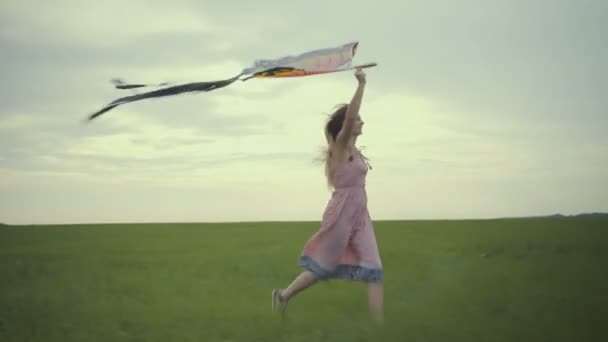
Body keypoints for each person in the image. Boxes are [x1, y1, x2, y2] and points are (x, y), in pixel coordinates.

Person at [272, 68, 384, 323]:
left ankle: (380, 329)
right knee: (323, 267)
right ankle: (283, 295)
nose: (362, 122)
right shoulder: (342, 146)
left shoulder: (354, 148)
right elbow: (350, 117)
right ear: (348, 124)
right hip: (342, 213)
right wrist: (362, 84)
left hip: (360, 214)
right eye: (358, 120)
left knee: (374, 268)